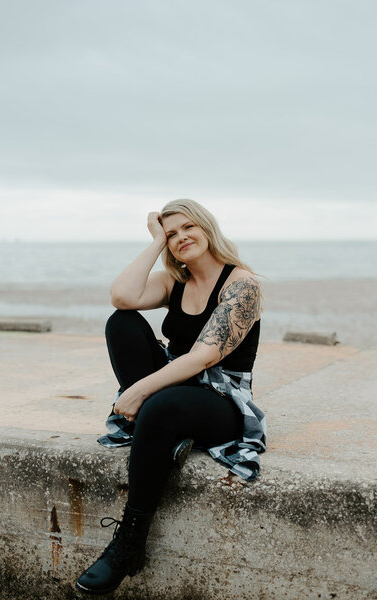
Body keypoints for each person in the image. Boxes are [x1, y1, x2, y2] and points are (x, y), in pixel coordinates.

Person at [76, 199, 266, 595]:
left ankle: (129, 543)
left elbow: (205, 355)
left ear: (206, 227)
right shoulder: (172, 281)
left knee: (162, 404)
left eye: (187, 228)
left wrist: (139, 389)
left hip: (220, 399)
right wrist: (154, 243)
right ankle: (162, 428)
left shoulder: (242, 284)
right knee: (122, 324)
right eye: (171, 233)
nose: (181, 238)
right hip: (175, 385)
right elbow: (122, 297)